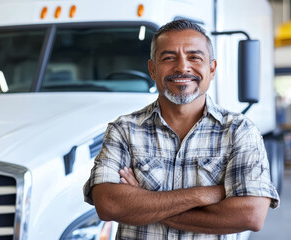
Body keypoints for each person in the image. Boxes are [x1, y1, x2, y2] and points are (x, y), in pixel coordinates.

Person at [83, 19, 280, 239]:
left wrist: (143, 202)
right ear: (152, 69)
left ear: (212, 68)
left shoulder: (239, 131)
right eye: (168, 58)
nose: (182, 67)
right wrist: (204, 195)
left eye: (194, 57)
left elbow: (250, 216)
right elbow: (109, 206)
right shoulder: (123, 130)